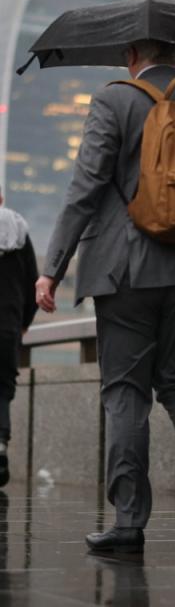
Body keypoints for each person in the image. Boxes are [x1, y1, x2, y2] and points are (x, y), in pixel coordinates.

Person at [35, 38, 175, 553]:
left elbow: (83, 190)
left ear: (131, 54)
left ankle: (129, 522)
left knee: (126, 391)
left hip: (126, 271)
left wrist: (51, 270)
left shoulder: (114, 99)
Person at [0, 191, 39, 486]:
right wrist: (23, 323)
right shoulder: (18, 228)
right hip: (8, 324)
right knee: (3, 387)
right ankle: (0, 446)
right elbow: (32, 282)